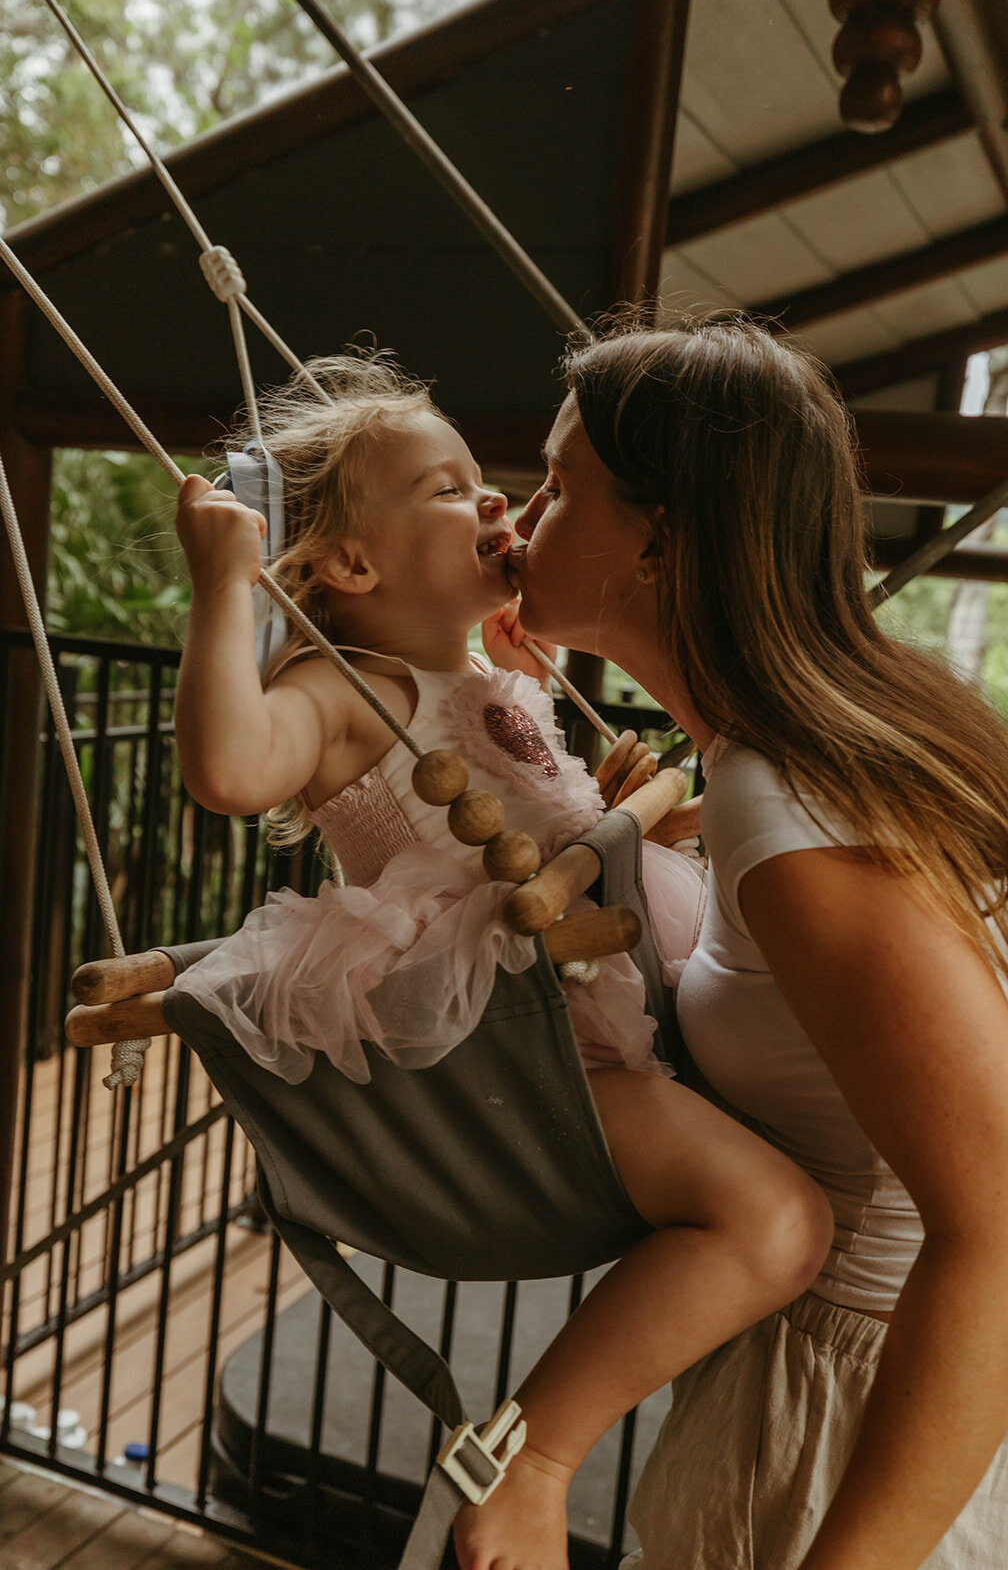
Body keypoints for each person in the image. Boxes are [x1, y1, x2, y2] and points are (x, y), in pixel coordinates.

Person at [170, 353, 833, 1570]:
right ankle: (525, 1457)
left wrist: (635, 817)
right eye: (448, 487)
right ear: (355, 564)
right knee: (775, 1218)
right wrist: (224, 586)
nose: (496, 503)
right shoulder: (339, 689)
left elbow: (553, 806)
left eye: (489, 482)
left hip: (600, 979)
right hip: (529, 1039)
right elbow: (225, 769)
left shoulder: (489, 674)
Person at [505, 311, 1008, 1570]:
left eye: (555, 488)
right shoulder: (842, 734)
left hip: (868, 1413)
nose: (515, 518)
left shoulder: (791, 808)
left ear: (658, 536)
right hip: (885, 1369)